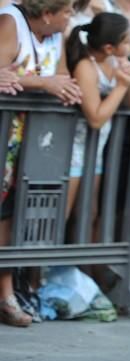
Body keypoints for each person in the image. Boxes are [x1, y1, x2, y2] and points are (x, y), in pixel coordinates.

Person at [0, 0, 81, 328]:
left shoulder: (56, 34)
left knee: (9, 214)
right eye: (67, 10)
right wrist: (43, 84)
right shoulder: (11, 23)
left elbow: (61, 76)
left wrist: (56, 84)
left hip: (33, 140)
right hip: (8, 134)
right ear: (47, 13)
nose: (71, 16)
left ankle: (6, 293)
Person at [66, 13, 130, 221]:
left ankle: (83, 254)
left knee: (89, 213)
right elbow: (96, 118)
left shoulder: (114, 61)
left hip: (95, 149)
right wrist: (121, 86)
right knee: (62, 213)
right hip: (73, 149)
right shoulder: (85, 67)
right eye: (126, 41)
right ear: (109, 47)